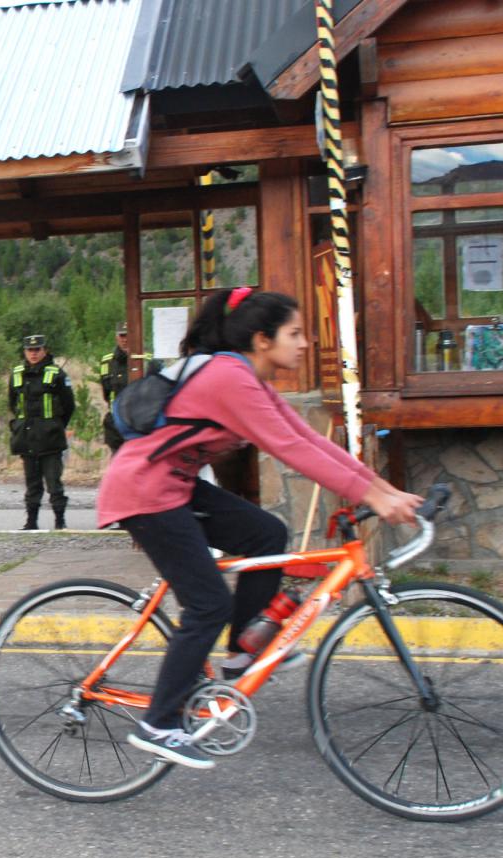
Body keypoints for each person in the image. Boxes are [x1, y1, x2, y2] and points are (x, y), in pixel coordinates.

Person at [96, 287, 421, 770]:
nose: (306, 343)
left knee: (266, 534)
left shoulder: (249, 378)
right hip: (143, 492)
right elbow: (294, 452)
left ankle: (242, 653)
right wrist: (372, 495)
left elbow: (309, 439)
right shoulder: (229, 377)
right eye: (295, 333)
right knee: (208, 604)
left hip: (175, 485)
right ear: (262, 339)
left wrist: (383, 489)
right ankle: (159, 724)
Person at [9, 334, 74, 530]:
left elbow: (69, 405)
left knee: (54, 483)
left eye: (37, 350)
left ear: (44, 350)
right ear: (25, 352)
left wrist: (54, 426)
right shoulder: (17, 374)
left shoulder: (57, 374)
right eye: (30, 350)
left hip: (50, 438)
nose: (34, 353)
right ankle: (31, 521)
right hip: (26, 437)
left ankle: (59, 521)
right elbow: (13, 404)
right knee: (32, 483)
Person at [95, 322, 147, 453]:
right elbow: (106, 392)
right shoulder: (107, 361)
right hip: (116, 424)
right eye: (122, 335)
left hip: (139, 422)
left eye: (128, 335)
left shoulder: (145, 359)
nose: (125, 339)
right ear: (116, 337)